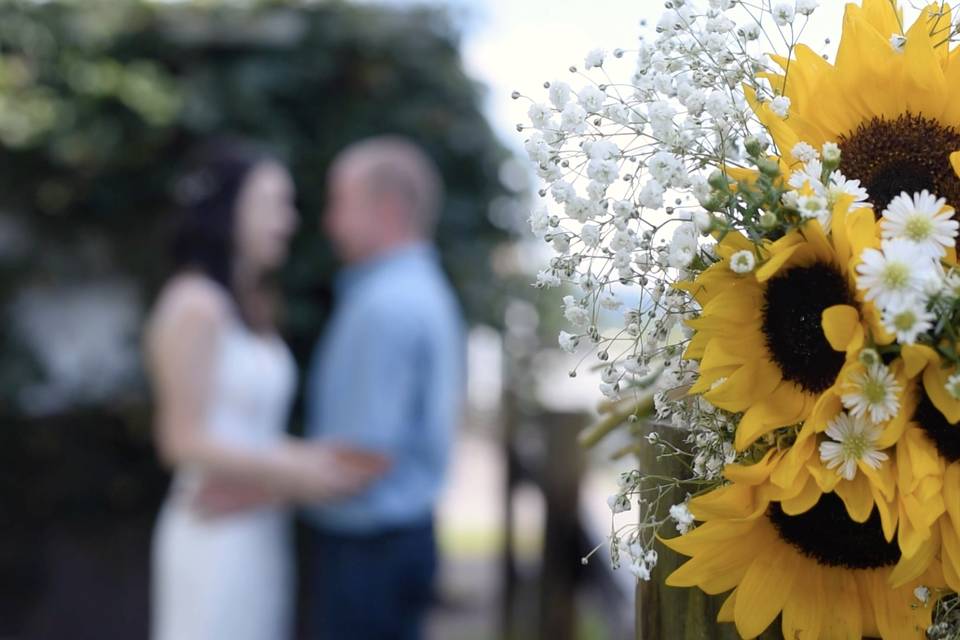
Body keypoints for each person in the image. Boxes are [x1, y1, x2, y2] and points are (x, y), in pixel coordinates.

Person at [145, 138, 385, 640]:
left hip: (255, 522)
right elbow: (181, 440)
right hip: (212, 527)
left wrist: (312, 459)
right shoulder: (195, 306)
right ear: (229, 209)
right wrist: (298, 469)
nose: (288, 220)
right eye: (273, 204)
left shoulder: (250, 305)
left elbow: (249, 431)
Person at [305, 136, 466, 640]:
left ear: (389, 208)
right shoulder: (421, 290)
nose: (329, 222)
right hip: (395, 543)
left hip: (369, 554)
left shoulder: (386, 305)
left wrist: (254, 484)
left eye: (340, 203)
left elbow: (364, 458)